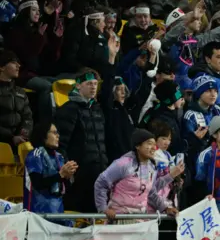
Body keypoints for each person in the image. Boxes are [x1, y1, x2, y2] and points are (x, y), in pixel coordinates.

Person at [94, 128, 178, 221]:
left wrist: (165, 208)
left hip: (141, 220)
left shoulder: (152, 167)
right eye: (149, 144)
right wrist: (103, 209)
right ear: (138, 146)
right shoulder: (123, 163)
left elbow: (151, 193)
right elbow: (101, 183)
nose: (154, 148)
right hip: (119, 219)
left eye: (154, 144)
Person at [54, 70, 109, 212]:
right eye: (89, 83)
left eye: (95, 84)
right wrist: (69, 172)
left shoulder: (97, 109)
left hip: (99, 173)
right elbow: (60, 144)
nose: (93, 87)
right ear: (78, 86)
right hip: (78, 177)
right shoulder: (68, 109)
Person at [24, 121, 78, 215]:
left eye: (57, 133)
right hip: (37, 213)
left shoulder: (60, 157)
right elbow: (38, 183)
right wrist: (61, 175)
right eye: (54, 132)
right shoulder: (35, 155)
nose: (58, 136)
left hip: (57, 212)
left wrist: (69, 176)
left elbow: (64, 186)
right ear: (43, 135)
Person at [141, 79, 185, 155]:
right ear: (170, 100)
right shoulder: (163, 119)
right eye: (179, 96)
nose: (182, 98)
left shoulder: (163, 111)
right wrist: (192, 140)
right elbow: (171, 147)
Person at [0, 50, 33, 149]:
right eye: (13, 63)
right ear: (2, 67)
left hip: (19, 145)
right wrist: (11, 138)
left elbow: (28, 118)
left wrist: (23, 135)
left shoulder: (21, 93)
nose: (18, 65)